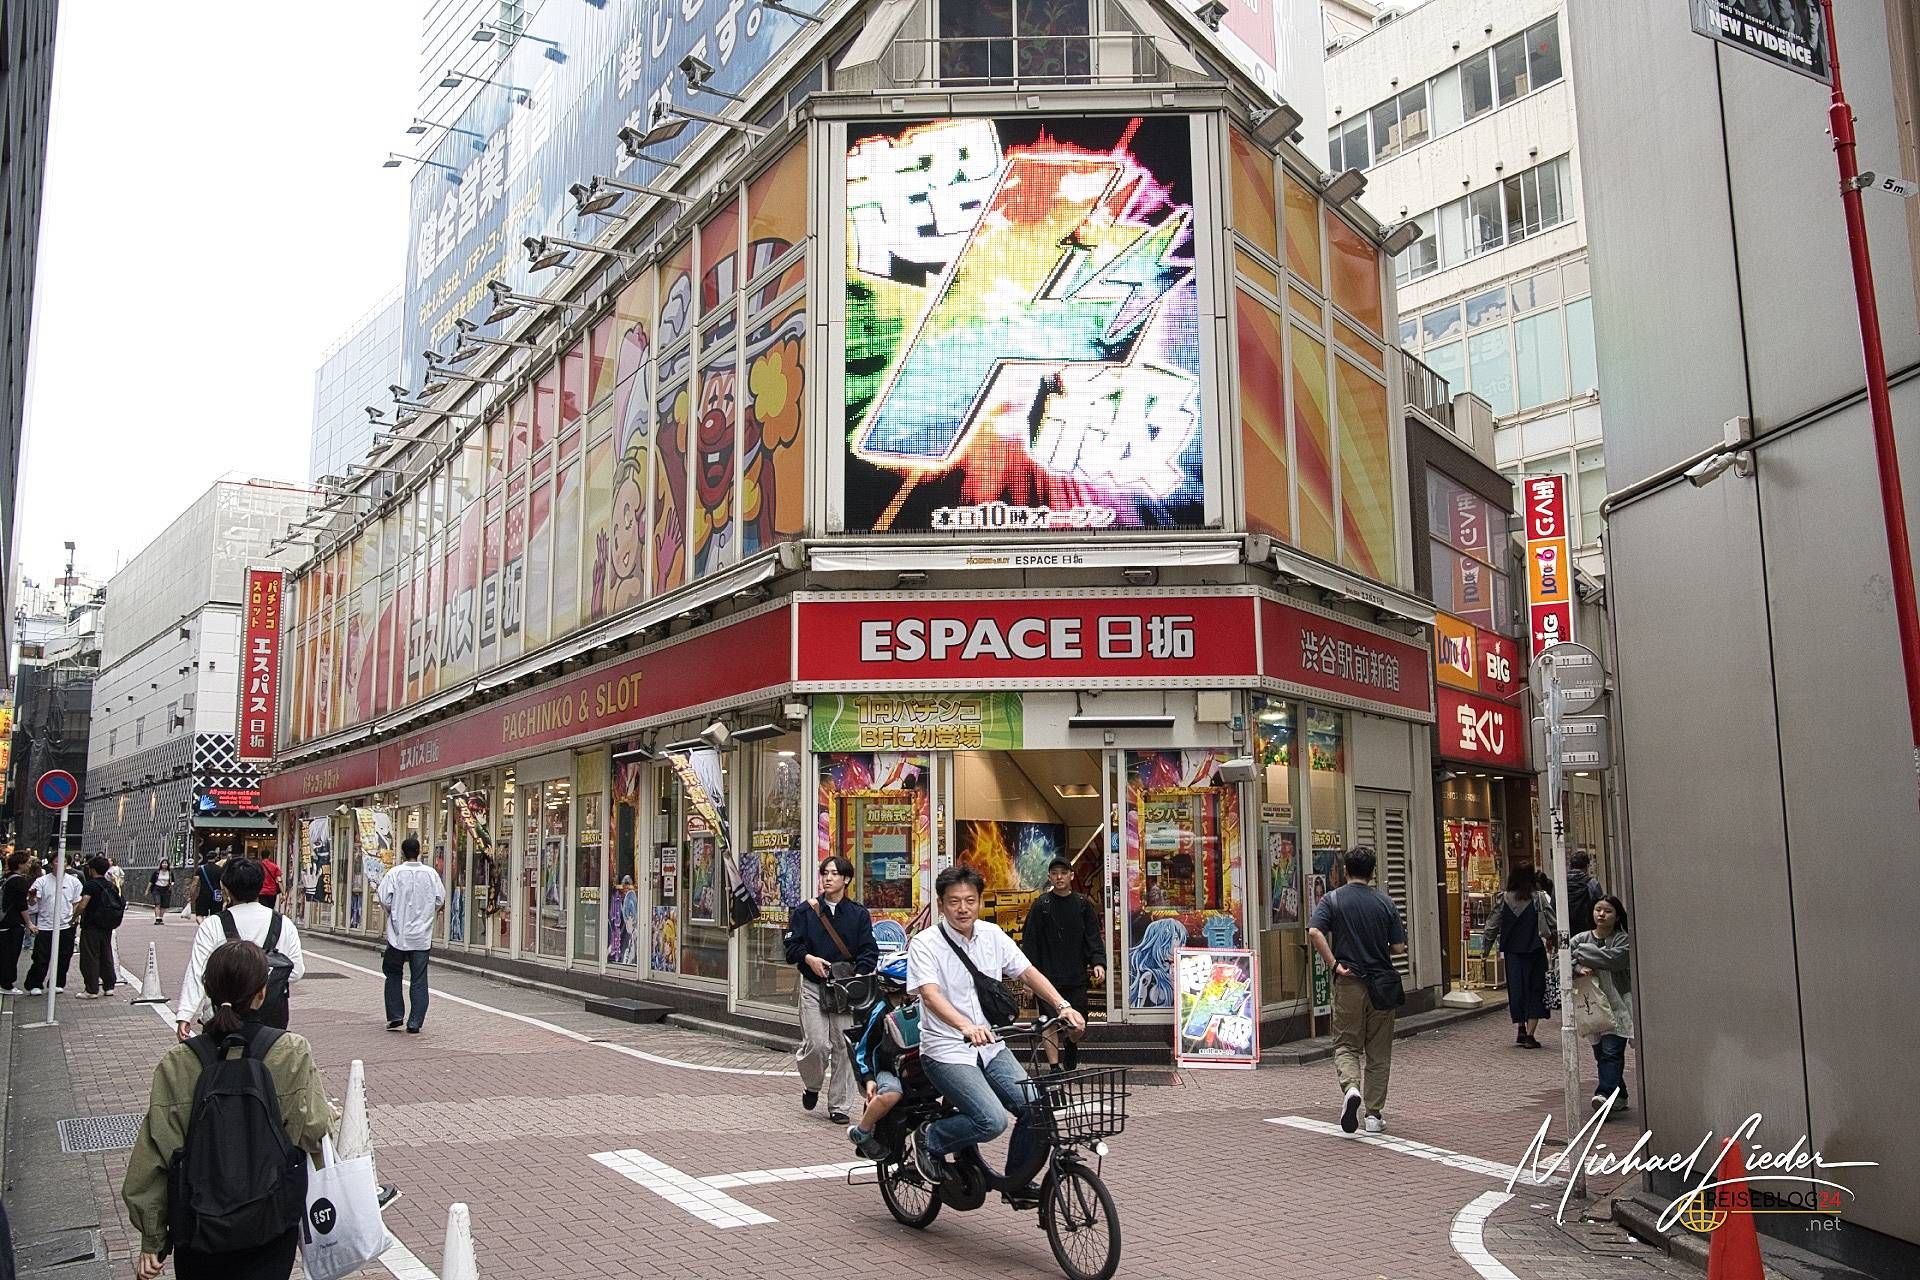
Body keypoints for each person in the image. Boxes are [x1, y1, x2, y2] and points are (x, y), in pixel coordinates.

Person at [122, 940, 334, 1280]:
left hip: (197, 1227)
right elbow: (313, 1130)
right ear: (261, 994)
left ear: (207, 990)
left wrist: (153, 1237)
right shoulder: (290, 1052)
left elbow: (155, 1155)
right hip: (270, 1220)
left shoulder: (178, 1063)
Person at [906, 864, 1085, 1198]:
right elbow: (930, 995)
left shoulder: (992, 935)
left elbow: (1027, 972)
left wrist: (1062, 1006)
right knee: (991, 1120)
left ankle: (1016, 1182)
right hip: (946, 1050)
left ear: (979, 901)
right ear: (941, 905)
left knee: (1036, 1108)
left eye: (970, 900)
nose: (963, 908)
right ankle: (930, 1137)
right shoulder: (925, 944)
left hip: (991, 1046)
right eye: (954, 901)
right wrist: (965, 1025)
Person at [1307, 846, 1408, 1135]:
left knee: (1346, 1045)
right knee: (1379, 1052)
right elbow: (1399, 947)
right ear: (1372, 872)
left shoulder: (1333, 899)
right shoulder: (1385, 902)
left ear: (1345, 870)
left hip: (1349, 981)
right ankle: (1373, 1115)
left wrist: (1334, 963)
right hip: (1381, 986)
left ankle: (1351, 1088)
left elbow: (1314, 931)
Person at [783, 856, 877, 1124]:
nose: (828, 878)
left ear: (846, 879)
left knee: (844, 1048)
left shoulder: (858, 914)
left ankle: (840, 1106)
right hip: (814, 986)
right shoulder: (806, 911)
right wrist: (809, 959)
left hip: (845, 990)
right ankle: (812, 1085)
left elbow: (869, 951)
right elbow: (791, 947)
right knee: (816, 1044)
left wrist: (856, 976)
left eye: (834, 873)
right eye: (825, 873)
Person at [177, 859, 305, 1042]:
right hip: (270, 1022)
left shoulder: (213, 924)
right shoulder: (283, 923)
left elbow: (198, 971)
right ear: (260, 886)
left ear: (225, 888)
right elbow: (296, 971)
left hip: (221, 1019)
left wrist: (185, 1014)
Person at [1019, 857, 1106, 1070]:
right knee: (1049, 1022)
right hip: (1047, 977)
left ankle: (1071, 1043)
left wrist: (1098, 961)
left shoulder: (1082, 904)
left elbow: (1093, 936)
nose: (1059, 877)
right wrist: (1029, 980)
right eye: (1055, 873)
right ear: (1049, 877)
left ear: (1071, 876)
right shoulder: (1041, 905)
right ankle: (1054, 1067)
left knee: (1078, 1024)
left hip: (1076, 976)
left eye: (1063, 873)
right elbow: (1030, 942)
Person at [842, 957, 911, 1160]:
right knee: (892, 1094)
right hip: (887, 1069)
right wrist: (869, 1078)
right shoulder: (880, 1011)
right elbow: (864, 1048)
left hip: (915, 1067)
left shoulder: (922, 1006)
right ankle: (862, 1132)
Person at [1571, 894, 1633, 1113]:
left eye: (1608, 911)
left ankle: (1604, 1094)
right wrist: (1578, 967)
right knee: (1601, 1054)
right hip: (1590, 1004)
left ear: (1617, 916)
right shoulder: (1580, 938)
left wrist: (1581, 954)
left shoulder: (1623, 940)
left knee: (1611, 1051)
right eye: (1598, 909)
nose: (1601, 914)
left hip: (1618, 1003)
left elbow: (1616, 960)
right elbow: (1561, 961)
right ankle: (1620, 1095)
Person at [376, 836, 444, 1034]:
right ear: (419, 852)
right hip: (422, 936)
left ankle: (395, 1014)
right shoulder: (431, 874)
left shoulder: (394, 873)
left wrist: (394, 912)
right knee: (419, 978)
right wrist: (427, 913)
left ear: (403, 853)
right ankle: (415, 1021)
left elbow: (384, 898)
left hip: (398, 934)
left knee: (392, 972)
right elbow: (440, 899)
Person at [1485, 864, 1555, 1049]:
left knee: (1517, 989)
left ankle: (1521, 1027)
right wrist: (1556, 940)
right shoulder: (1538, 898)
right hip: (1534, 950)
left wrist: (1485, 950)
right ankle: (1530, 1035)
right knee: (1536, 989)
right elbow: (1552, 921)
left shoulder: (1503, 899)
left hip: (1512, 952)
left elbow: (1492, 925)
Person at [24, 852, 83, 995]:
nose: (60, 864)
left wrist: (75, 918)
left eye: (64, 861)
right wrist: (31, 897)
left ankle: (57, 983)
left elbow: (76, 902)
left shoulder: (74, 881)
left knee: (64, 956)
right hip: (45, 925)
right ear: (51, 864)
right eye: (57, 861)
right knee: (41, 956)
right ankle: (35, 984)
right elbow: (32, 902)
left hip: (66, 925)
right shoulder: (41, 881)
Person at [76, 856, 126, 999]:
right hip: (107, 925)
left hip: (91, 925)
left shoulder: (90, 885)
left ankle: (91, 989)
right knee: (106, 954)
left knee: (90, 957)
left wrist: (74, 917)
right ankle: (109, 986)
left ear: (92, 870)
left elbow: (83, 904)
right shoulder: (111, 885)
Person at [1, 853, 34, 995]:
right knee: (11, 954)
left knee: (4, 953)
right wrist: (29, 923)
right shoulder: (20, 881)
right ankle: (6, 985)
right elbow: (22, 905)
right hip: (13, 923)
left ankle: (5, 982)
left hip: (4, 921)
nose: (29, 865)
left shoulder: (6, 878)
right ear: (20, 864)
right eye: (28, 862)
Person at [1564, 850, 1604, 938]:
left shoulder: (1561, 885)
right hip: (1587, 931)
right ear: (1587, 866)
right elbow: (1601, 907)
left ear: (1570, 865)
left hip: (1566, 930)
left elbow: (1553, 907)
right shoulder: (1592, 883)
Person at [190, 851, 229, 920]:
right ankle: (212, 926)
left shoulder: (200, 869)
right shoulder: (220, 869)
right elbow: (223, 884)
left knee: (199, 915)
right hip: (216, 896)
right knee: (215, 916)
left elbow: (194, 884)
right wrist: (226, 896)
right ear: (216, 858)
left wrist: (192, 896)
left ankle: (203, 925)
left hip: (203, 895)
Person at [150, 857, 174, 925]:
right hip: (157, 889)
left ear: (168, 865)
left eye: (166, 863)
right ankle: (157, 918)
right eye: (163, 863)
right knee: (157, 903)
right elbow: (151, 881)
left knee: (164, 905)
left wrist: (171, 886)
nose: (164, 864)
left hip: (166, 889)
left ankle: (161, 918)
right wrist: (147, 890)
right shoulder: (157, 872)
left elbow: (172, 881)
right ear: (161, 864)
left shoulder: (170, 873)